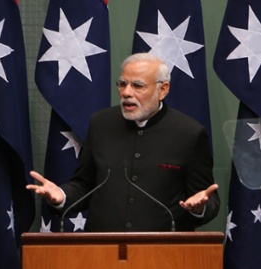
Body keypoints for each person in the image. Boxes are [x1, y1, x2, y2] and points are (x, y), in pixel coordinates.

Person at [27, 53, 220, 232]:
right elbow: (84, 185)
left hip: (163, 256)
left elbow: (208, 200)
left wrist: (199, 207)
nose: (126, 92)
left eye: (137, 86)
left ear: (163, 90)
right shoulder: (100, 124)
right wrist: (61, 196)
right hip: (102, 252)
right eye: (122, 84)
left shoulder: (189, 133)